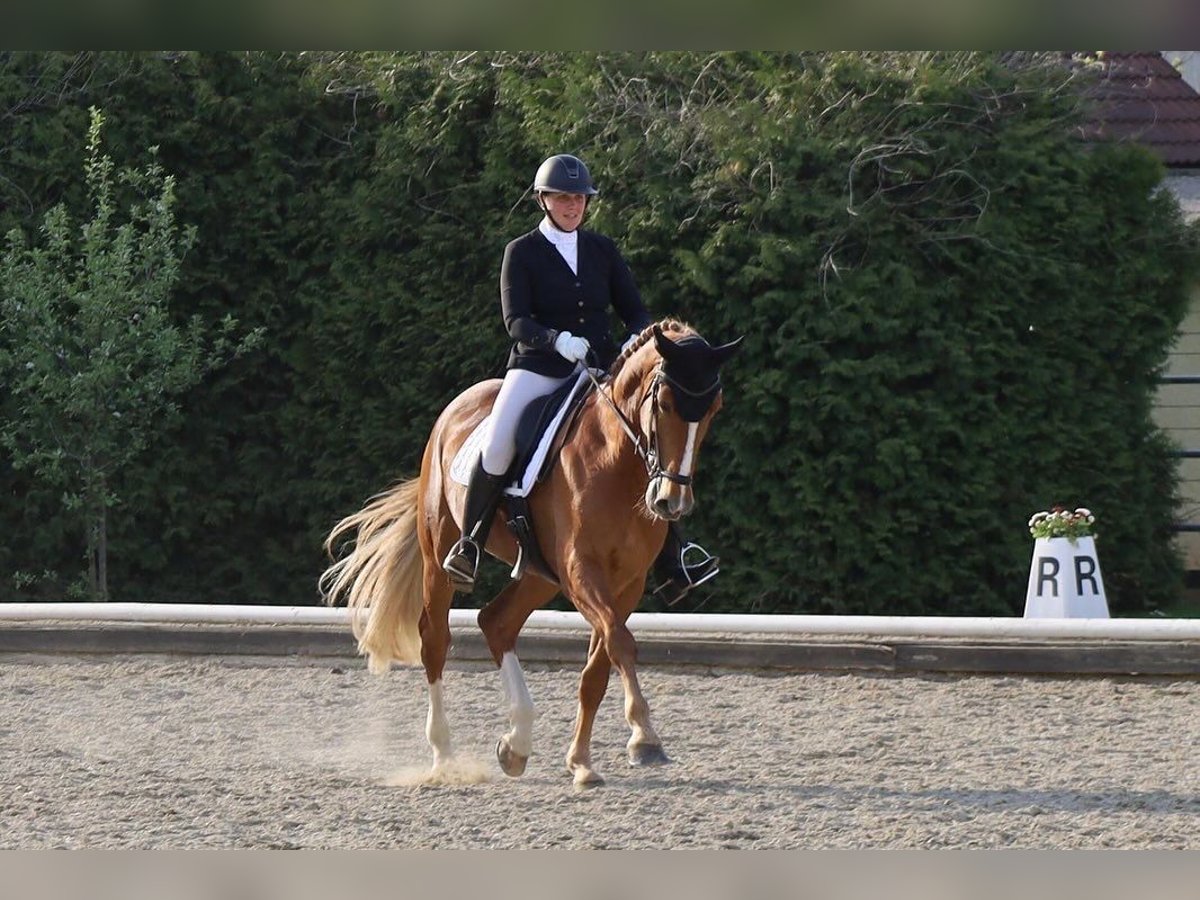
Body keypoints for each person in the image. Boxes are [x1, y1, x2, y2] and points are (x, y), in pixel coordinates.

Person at [441, 153, 719, 605]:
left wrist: (640, 341)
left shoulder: (601, 250)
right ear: (543, 200)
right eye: (562, 198)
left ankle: (676, 555)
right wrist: (555, 340)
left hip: (599, 370)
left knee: (650, 445)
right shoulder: (523, 251)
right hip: (538, 368)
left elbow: (635, 311)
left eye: (578, 198)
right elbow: (516, 321)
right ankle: (469, 543)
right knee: (497, 444)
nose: (572, 206)